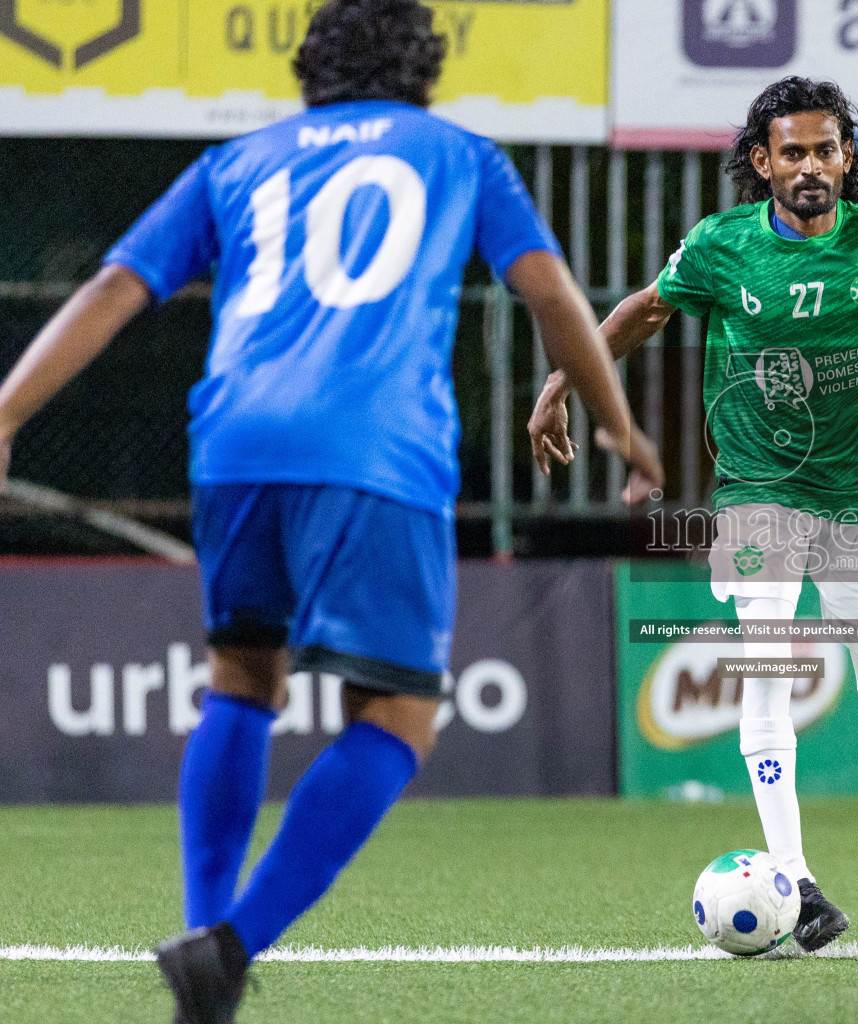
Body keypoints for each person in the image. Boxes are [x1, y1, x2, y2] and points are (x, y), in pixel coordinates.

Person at [0, 2, 660, 1020]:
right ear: (423, 71)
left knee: (242, 678)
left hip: (233, 446)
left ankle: (202, 934)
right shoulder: (459, 154)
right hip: (373, 448)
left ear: (309, 72)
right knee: (397, 713)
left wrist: (4, 412)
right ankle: (231, 942)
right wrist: (615, 420)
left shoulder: (234, 160)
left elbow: (111, 290)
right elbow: (550, 291)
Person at [528, 76, 858, 949]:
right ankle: (797, 885)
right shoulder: (722, 247)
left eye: (827, 150)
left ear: (850, 160)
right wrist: (558, 385)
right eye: (793, 151)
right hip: (759, 493)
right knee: (763, 672)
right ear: (761, 161)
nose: (811, 166)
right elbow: (643, 312)